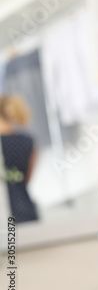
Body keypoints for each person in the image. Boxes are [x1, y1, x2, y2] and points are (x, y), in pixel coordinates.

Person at [0, 95, 38, 223]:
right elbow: (26, 178)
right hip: (24, 208)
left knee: (10, 242)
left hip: (4, 212)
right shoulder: (27, 141)